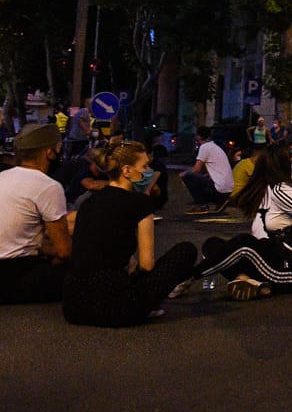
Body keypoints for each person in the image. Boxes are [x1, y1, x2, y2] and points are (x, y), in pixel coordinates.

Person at [61, 141, 198, 326]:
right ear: (126, 170)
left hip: (74, 307)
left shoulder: (88, 202)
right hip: (117, 307)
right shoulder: (140, 202)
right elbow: (147, 265)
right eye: (145, 166)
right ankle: (146, 304)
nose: (148, 171)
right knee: (186, 250)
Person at [195, 144, 292, 299]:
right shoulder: (278, 188)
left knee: (243, 244)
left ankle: (188, 277)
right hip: (275, 256)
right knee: (213, 244)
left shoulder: (281, 189)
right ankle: (248, 281)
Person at [0, 123, 72, 304]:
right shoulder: (48, 186)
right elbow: (65, 251)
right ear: (49, 153)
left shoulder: (3, 177)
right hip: (12, 274)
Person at [182, 125, 234, 214]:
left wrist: (183, 174)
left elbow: (196, 169)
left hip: (219, 187)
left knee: (187, 176)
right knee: (200, 178)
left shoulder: (205, 147)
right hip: (228, 188)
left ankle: (201, 204)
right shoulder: (214, 146)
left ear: (199, 136)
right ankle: (219, 201)